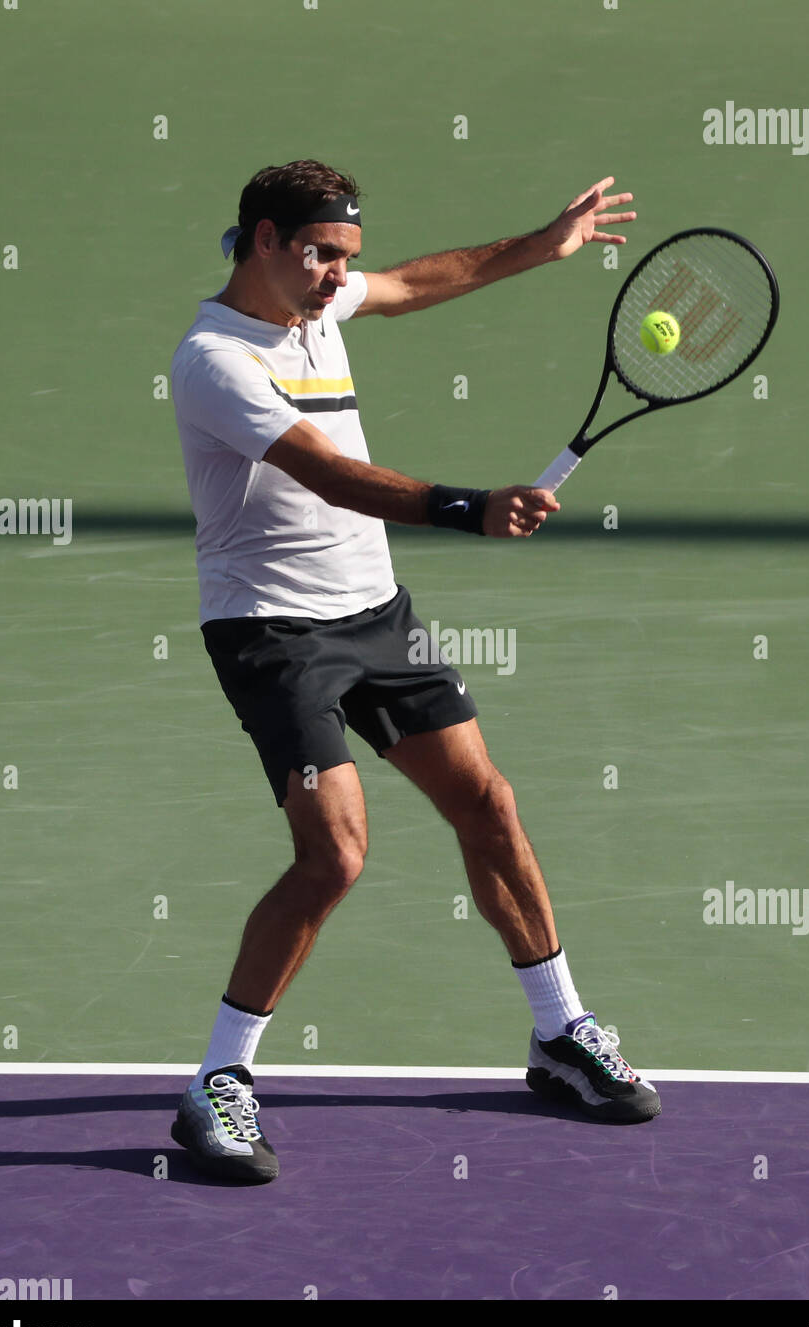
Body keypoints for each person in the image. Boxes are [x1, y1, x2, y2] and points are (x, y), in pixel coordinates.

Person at [169, 159, 661, 1183]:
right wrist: (463, 506)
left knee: (486, 800)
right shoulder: (216, 357)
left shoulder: (323, 296)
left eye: (345, 256)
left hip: (375, 614)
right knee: (334, 855)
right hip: (274, 633)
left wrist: (542, 243)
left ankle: (558, 1031)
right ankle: (219, 1081)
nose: (340, 277)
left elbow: (415, 283)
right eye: (320, 255)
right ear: (263, 239)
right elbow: (327, 472)